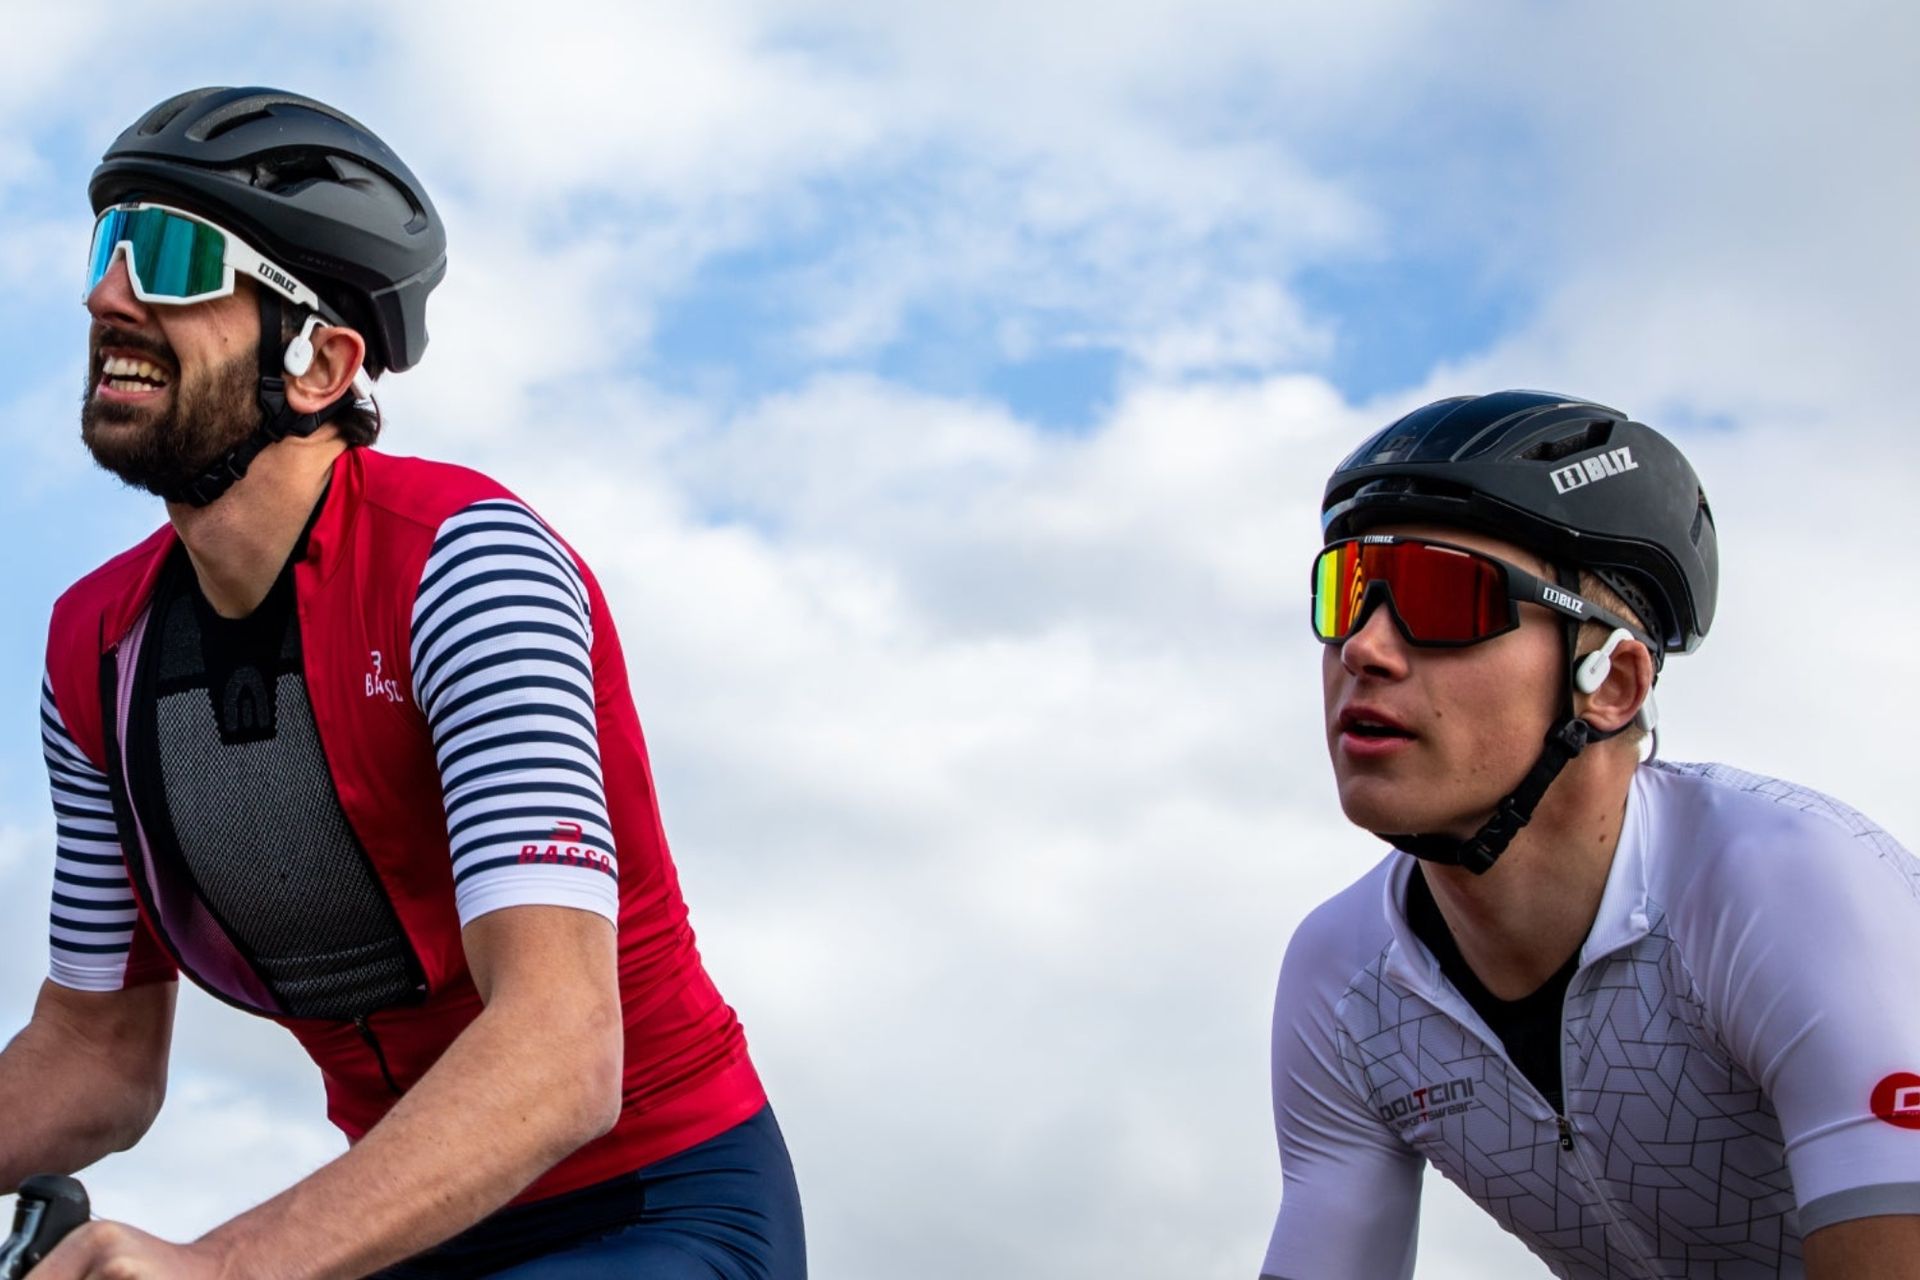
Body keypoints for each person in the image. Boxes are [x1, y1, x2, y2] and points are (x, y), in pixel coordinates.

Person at [11, 86, 804, 1278]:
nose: (107, 294)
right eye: (107, 249)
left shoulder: (469, 569)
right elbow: (95, 1057)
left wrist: (215, 1268)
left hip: (650, 1206)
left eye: (169, 258)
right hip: (406, 1223)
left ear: (322, 359)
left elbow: (557, 1049)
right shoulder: (94, 651)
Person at [1262, 390, 1920, 1279]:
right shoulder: (1342, 980)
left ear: (1611, 682)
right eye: (1346, 594)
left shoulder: (1790, 887)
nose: (1366, 649)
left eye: (1443, 597)